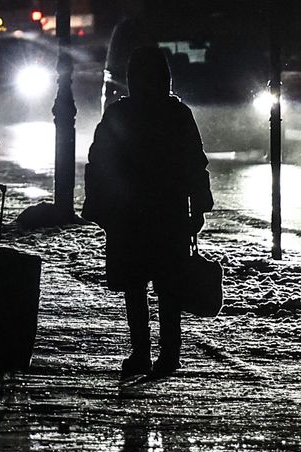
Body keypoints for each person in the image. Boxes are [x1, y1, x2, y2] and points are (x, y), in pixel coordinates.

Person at [83, 45, 214, 378]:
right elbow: (194, 163)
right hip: (168, 213)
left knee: (135, 285)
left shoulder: (119, 114)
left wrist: (99, 205)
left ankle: (139, 352)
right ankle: (169, 355)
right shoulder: (177, 114)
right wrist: (199, 204)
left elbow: (99, 162)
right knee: (169, 287)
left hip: (129, 214)